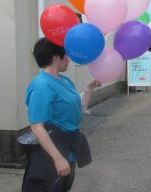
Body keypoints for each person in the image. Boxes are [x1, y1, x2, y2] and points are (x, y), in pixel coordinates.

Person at [21, 38, 101, 192]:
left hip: (67, 150)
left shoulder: (64, 80)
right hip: (50, 156)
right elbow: (37, 127)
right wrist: (57, 159)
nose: (69, 59)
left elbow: (78, 106)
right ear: (55, 57)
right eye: (67, 55)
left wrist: (89, 88)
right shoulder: (41, 85)